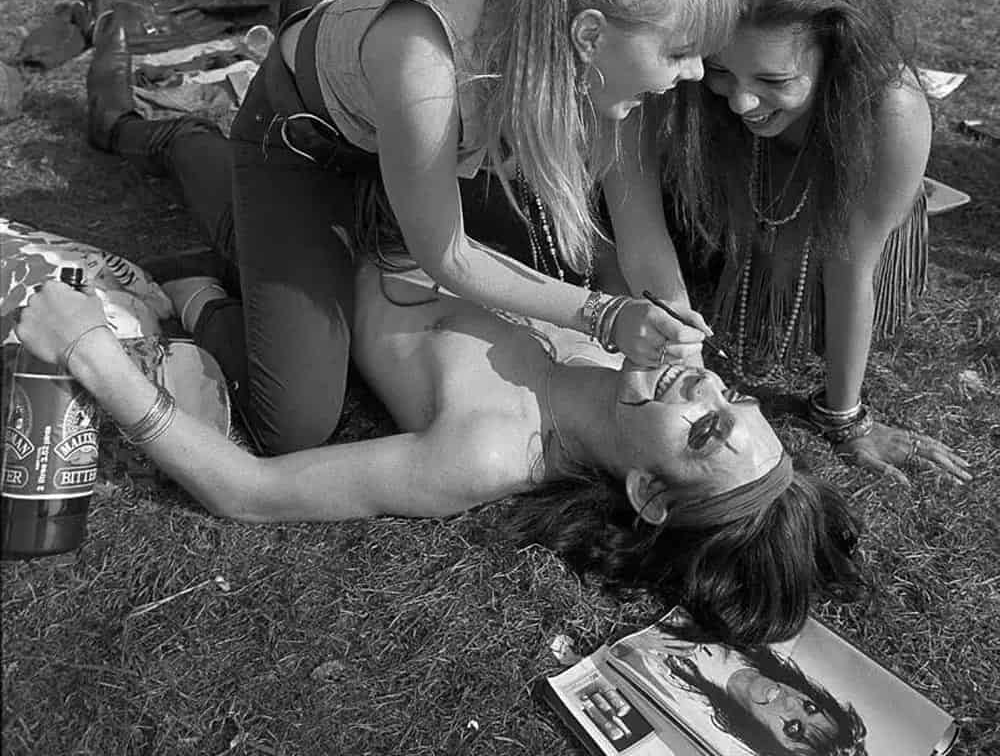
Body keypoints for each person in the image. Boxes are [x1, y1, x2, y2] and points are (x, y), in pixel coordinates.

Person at [88, 0, 738, 455]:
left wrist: (680, 337)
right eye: (680, 52)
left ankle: (313, 15)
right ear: (590, 35)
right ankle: (178, 157)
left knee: (543, 263)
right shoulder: (428, 57)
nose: (694, 74)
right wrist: (604, 316)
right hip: (305, 142)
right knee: (293, 421)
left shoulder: (603, 54)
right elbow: (447, 254)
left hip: (393, 123)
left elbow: (641, 237)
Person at [16, 254, 863, 648]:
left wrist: (91, 354)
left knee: (195, 157)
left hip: (311, 257)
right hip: (392, 203)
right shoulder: (635, 350)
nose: (706, 386)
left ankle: (178, 226)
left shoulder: (488, 453)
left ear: (647, 493)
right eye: (734, 398)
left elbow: (249, 490)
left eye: (707, 429)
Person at [661, 0, 973, 483]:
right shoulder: (687, 79)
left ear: (837, 55)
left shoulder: (892, 113)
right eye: (722, 70)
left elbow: (851, 263)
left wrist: (845, 418)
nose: (741, 103)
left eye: (774, 81)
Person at [609, 620, 868, 756]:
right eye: (810, 708)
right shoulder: (768, 634)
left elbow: (614, 655)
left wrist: (639, 640)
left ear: (773, 744)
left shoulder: (685, 703)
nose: (791, 701)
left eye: (793, 728)